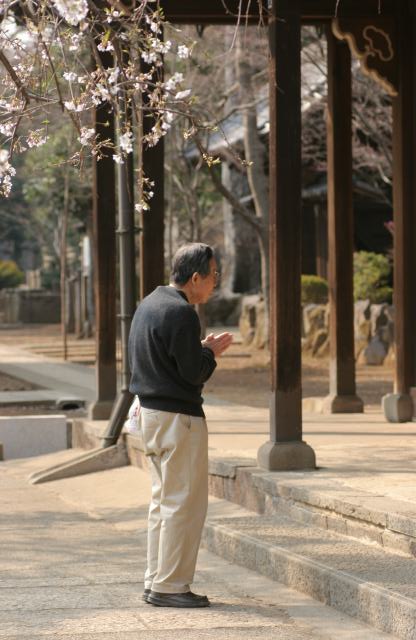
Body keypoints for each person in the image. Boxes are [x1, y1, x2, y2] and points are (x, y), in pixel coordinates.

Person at [128, 243, 233, 608]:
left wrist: (198, 348)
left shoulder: (149, 304)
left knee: (162, 502)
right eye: (213, 275)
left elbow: (165, 360)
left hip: (151, 415)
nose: (214, 283)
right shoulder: (183, 313)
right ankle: (171, 586)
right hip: (179, 419)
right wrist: (209, 353)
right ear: (195, 278)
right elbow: (193, 374)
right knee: (184, 505)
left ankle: (155, 580)